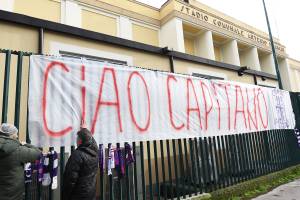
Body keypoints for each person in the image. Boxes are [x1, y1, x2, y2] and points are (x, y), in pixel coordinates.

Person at [0, 123, 41, 200]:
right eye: (16, 134)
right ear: (11, 135)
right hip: (12, 194)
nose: (17, 136)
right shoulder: (18, 150)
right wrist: (26, 144)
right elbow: (37, 153)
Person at [63, 121, 99, 200]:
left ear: (80, 141)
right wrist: (85, 130)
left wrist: (65, 196)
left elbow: (70, 180)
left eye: (77, 138)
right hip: (90, 194)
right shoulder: (95, 152)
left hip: (78, 196)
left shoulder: (77, 155)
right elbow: (92, 141)